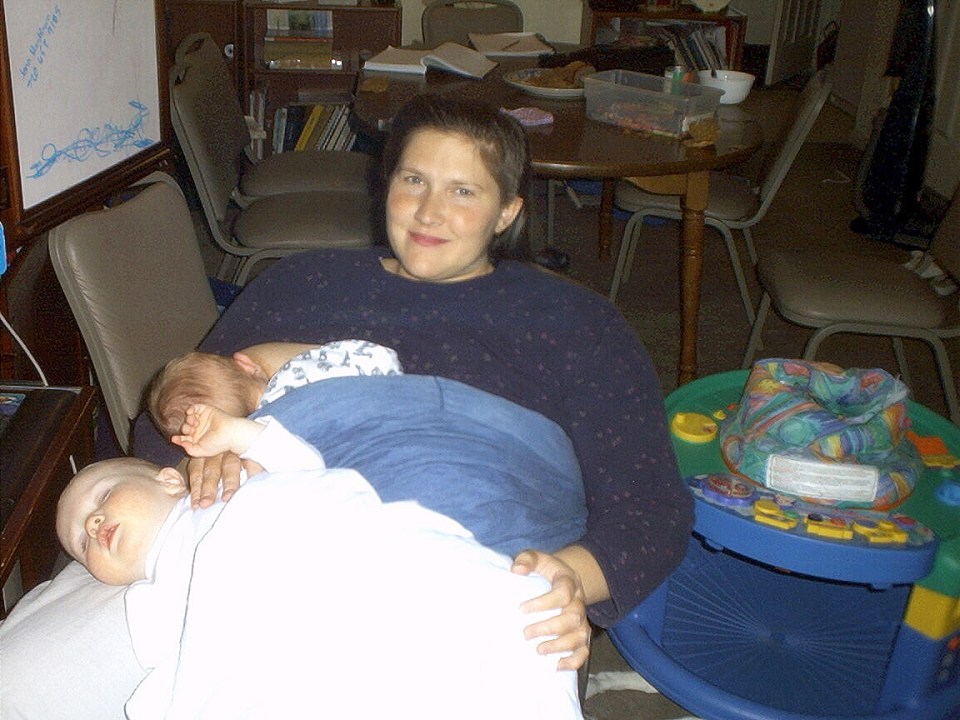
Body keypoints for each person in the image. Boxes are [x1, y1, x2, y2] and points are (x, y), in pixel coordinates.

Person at [137, 94, 694, 670]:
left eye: (463, 191)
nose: (429, 212)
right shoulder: (301, 284)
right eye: (414, 181)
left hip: (477, 605)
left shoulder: (576, 325)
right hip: (286, 586)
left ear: (507, 212)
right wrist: (201, 462)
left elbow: (651, 511)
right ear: (386, 186)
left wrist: (567, 577)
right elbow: (165, 421)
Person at [56, 405, 582, 719]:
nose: (93, 524)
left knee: (509, 615)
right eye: (80, 542)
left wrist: (235, 433)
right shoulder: (146, 598)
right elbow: (188, 672)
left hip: (356, 566)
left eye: (102, 497)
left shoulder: (227, 485)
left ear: (168, 478)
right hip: (297, 645)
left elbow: (303, 466)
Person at [148, 341, 588, 559]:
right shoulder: (306, 366)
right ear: (246, 364)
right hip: (520, 446)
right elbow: (383, 359)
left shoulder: (268, 433)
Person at [147, 339, 404, 438]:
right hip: (394, 388)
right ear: (246, 364)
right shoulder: (299, 365)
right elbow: (378, 355)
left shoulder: (271, 432)